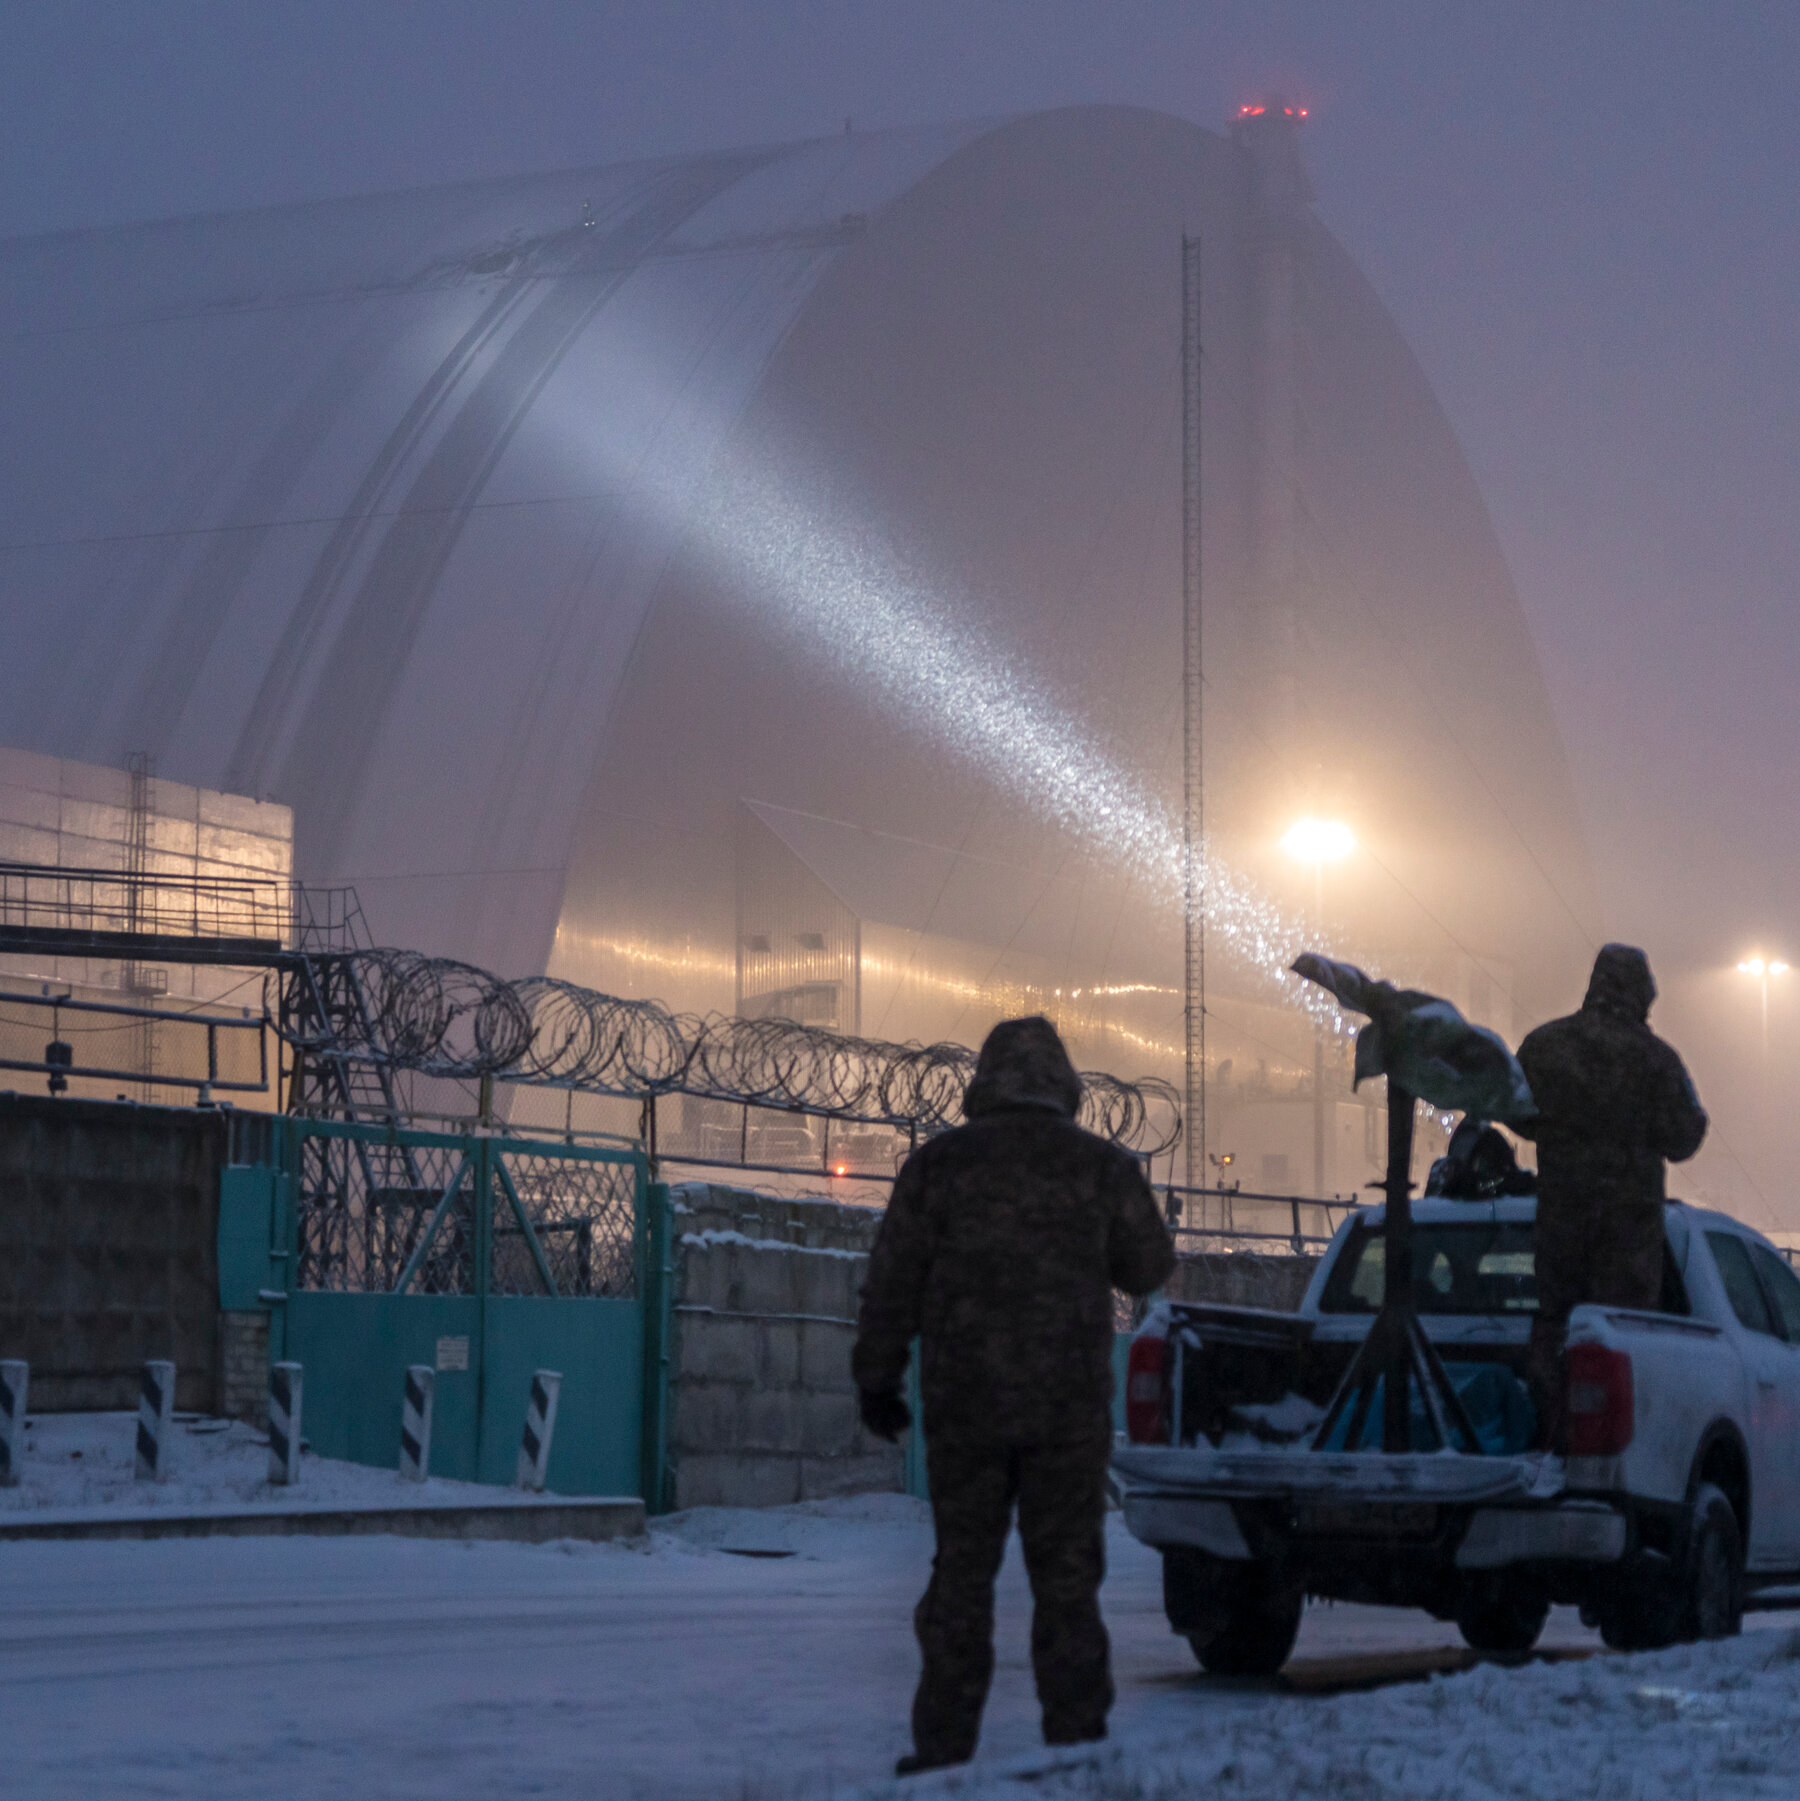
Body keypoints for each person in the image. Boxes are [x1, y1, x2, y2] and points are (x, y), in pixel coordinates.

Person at [852, 1016, 1175, 1777]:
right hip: (1067, 1415)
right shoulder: (1102, 1167)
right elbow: (1148, 1265)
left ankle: (941, 1752)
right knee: (1067, 1585)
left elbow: (892, 1281)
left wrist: (878, 1376)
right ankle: (1079, 1747)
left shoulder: (939, 1166)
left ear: (986, 1080)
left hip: (966, 1411)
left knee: (960, 1576)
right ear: (1063, 1083)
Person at [1515, 944, 1708, 1447]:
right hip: (1627, 1239)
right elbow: (1685, 1137)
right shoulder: (1657, 1060)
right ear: (1641, 992)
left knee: (1555, 1327)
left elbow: (1516, 1112)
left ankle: (1547, 1434)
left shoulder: (1544, 1046)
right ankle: (1609, 1450)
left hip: (1559, 1228)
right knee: (1621, 1338)